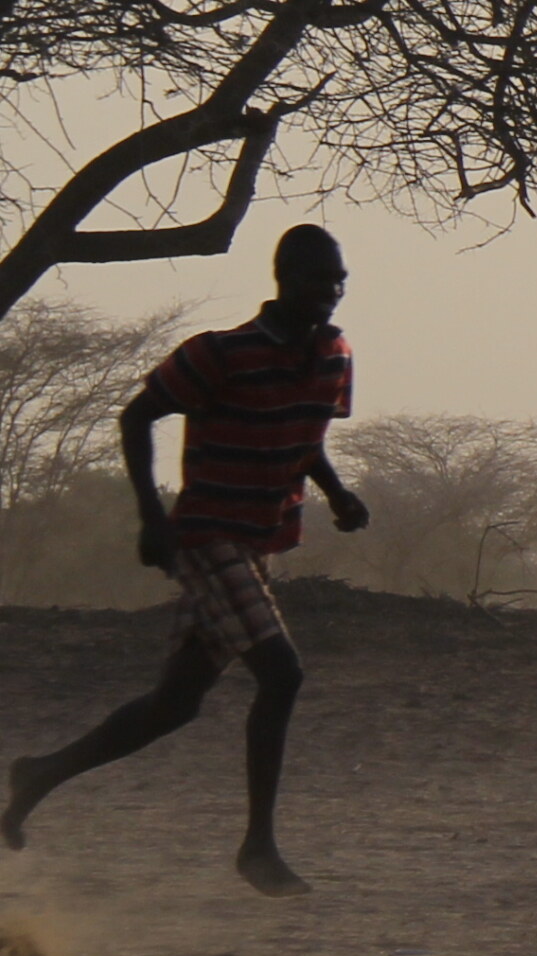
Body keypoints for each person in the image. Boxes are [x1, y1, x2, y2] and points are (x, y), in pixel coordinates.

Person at [2, 225, 368, 895]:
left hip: (255, 541)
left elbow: (304, 432)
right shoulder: (220, 353)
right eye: (320, 278)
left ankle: (40, 773)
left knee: (173, 706)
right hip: (205, 537)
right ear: (285, 279)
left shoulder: (334, 356)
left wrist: (338, 493)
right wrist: (152, 518)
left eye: (339, 279)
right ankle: (258, 846)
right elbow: (137, 417)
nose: (332, 291)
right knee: (282, 674)